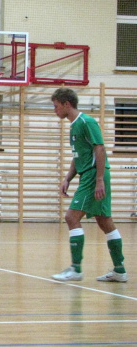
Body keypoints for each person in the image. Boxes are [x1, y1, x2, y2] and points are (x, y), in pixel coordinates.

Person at [50, 88, 128, 282]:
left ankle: (75, 269)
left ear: (67, 104)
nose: (55, 110)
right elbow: (79, 157)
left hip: (94, 176)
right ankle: (119, 270)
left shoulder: (87, 122)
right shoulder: (74, 126)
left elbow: (99, 148)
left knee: (71, 217)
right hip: (89, 175)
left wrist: (99, 179)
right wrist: (67, 178)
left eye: (56, 106)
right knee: (104, 221)